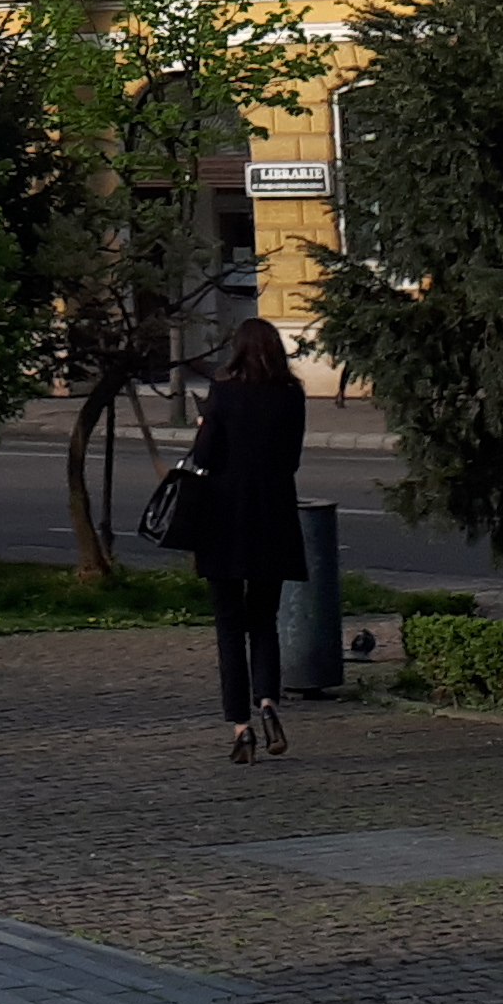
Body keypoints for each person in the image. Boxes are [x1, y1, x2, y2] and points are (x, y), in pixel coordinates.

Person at [182, 318, 313, 762]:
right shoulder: (292, 396)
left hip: (223, 520)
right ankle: (269, 705)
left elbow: (203, 456)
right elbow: (291, 460)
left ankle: (241, 728)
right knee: (264, 621)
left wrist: (205, 423)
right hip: (272, 518)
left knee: (228, 626)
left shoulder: (225, 393)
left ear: (236, 350)